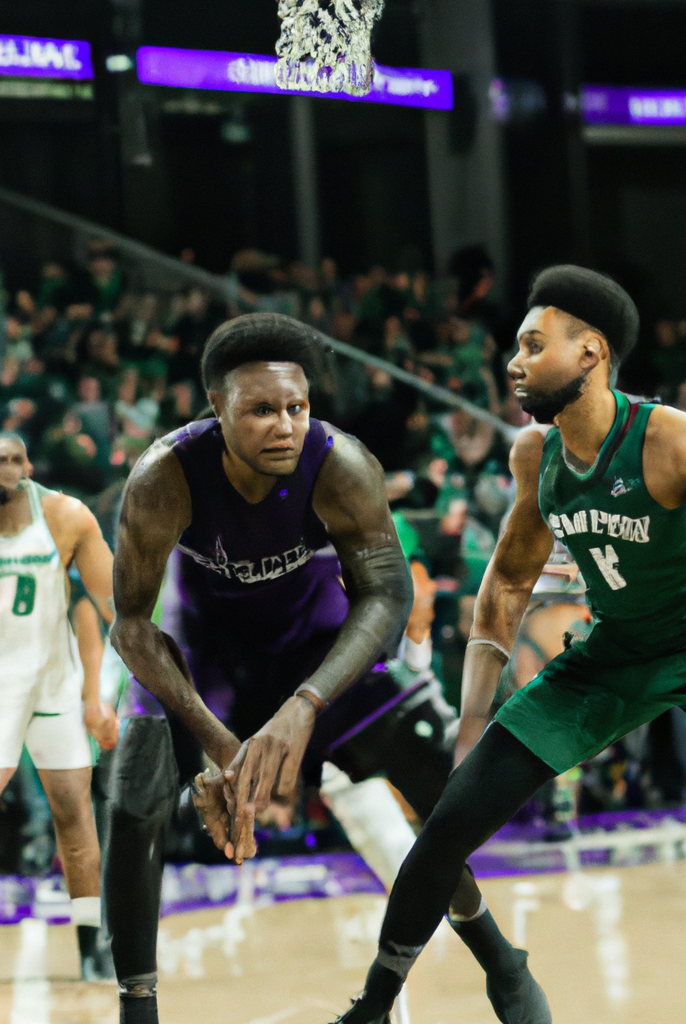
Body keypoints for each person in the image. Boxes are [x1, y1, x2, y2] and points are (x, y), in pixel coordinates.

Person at [338, 266, 686, 1024]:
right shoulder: (537, 456)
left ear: (590, 352)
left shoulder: (674, 440)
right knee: (448, 823)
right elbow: (503, 589)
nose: (513, 362)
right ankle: (373, 1007)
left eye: (532, 345)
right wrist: (470, 727)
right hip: (618, 650)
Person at [107, 313, 549, 1024]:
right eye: (260, 410)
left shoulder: (340, 463)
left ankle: (499, 955)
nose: (284, 425)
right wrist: (221, 747)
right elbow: (131, 623)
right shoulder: (163, 477)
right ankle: (138, 1006)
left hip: (310, 645)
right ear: (216, 410)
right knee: (134, 790)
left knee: (436, 782)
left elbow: (388, 592)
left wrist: (306, 703)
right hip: (206, 655)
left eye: (296, 407)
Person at [0, 432, 119, 980]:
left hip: (51, 685)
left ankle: (92, 946)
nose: (7, 470)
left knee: (75, 815)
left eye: (13, 460)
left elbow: (109, 610)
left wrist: (105, 695)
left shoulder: (65, 517)